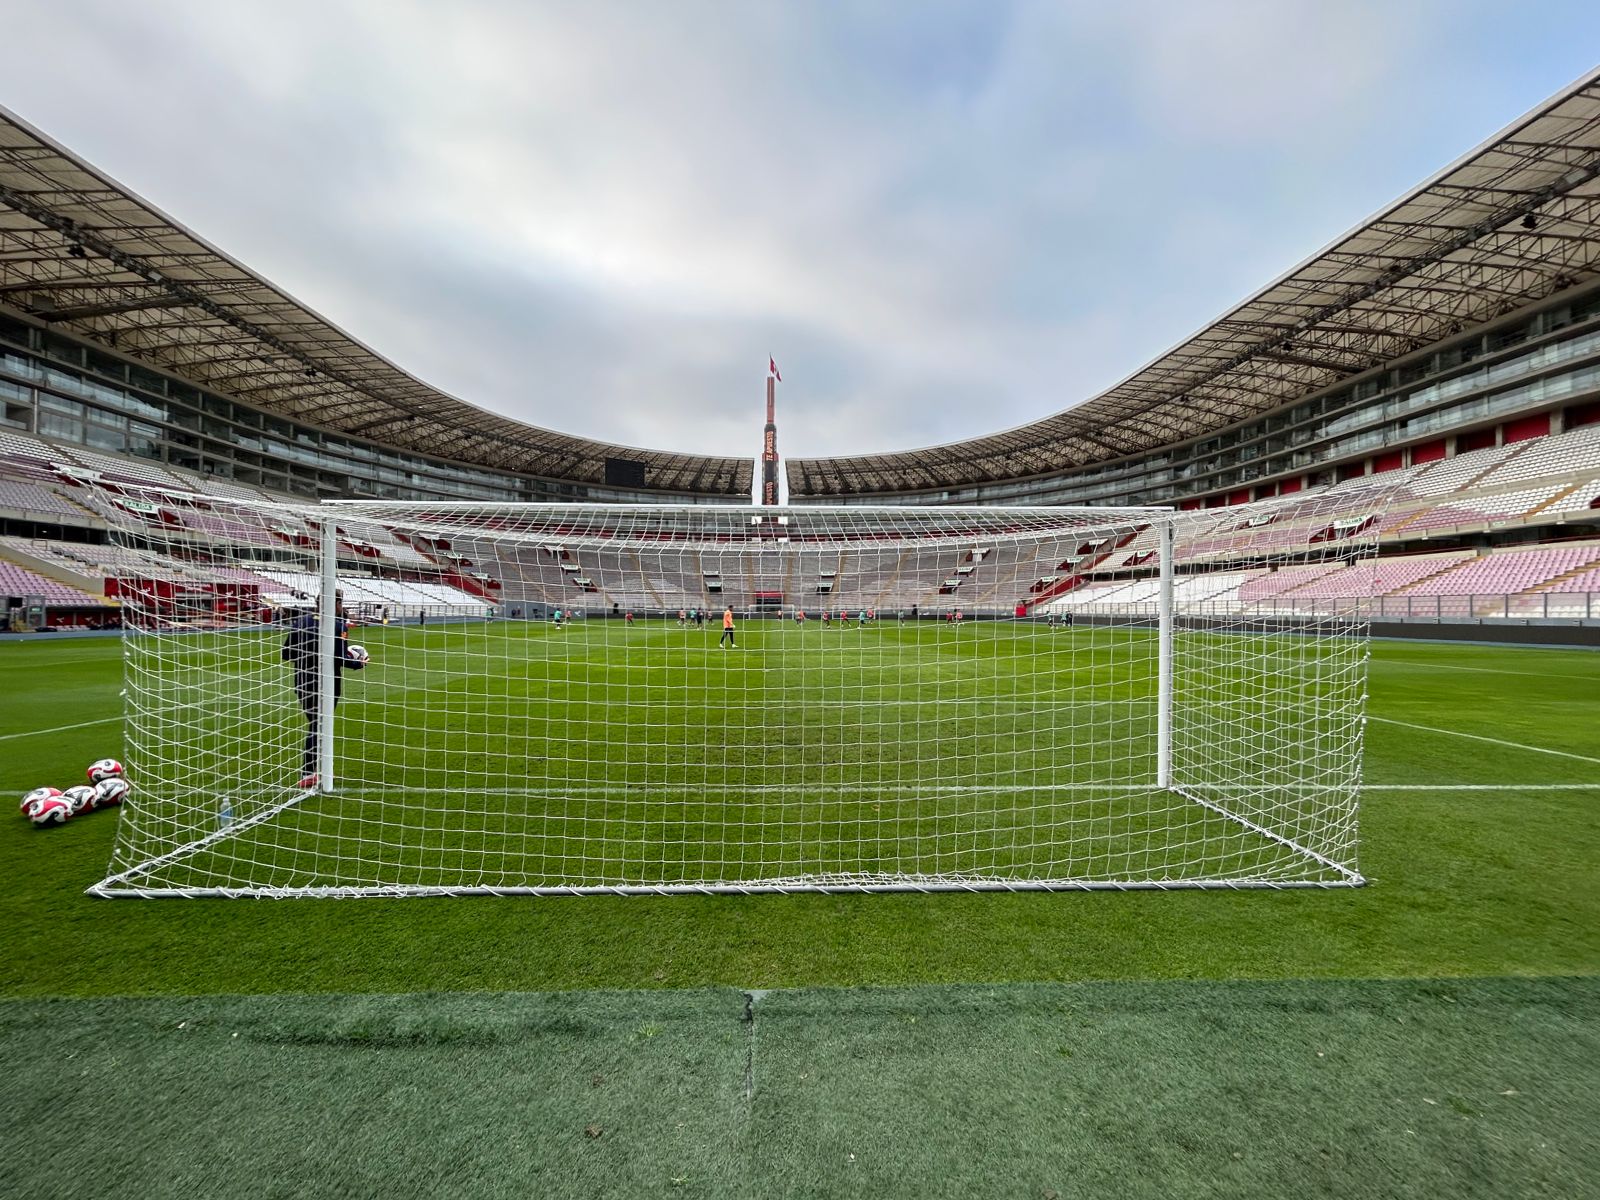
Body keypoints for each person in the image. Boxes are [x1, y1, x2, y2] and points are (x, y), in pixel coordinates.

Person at [281, 591, 365, 789]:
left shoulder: (300, 622)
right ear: (335, 603)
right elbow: (340, 658)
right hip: (327, 683)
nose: (341, 607)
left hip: (302, 681)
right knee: (319, 725)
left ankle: (321, 769)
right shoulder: (337, 625)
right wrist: (359, 663)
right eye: (340, 603)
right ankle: (308, 772)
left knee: (317, 724)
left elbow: (286, 654)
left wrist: (308, 654)